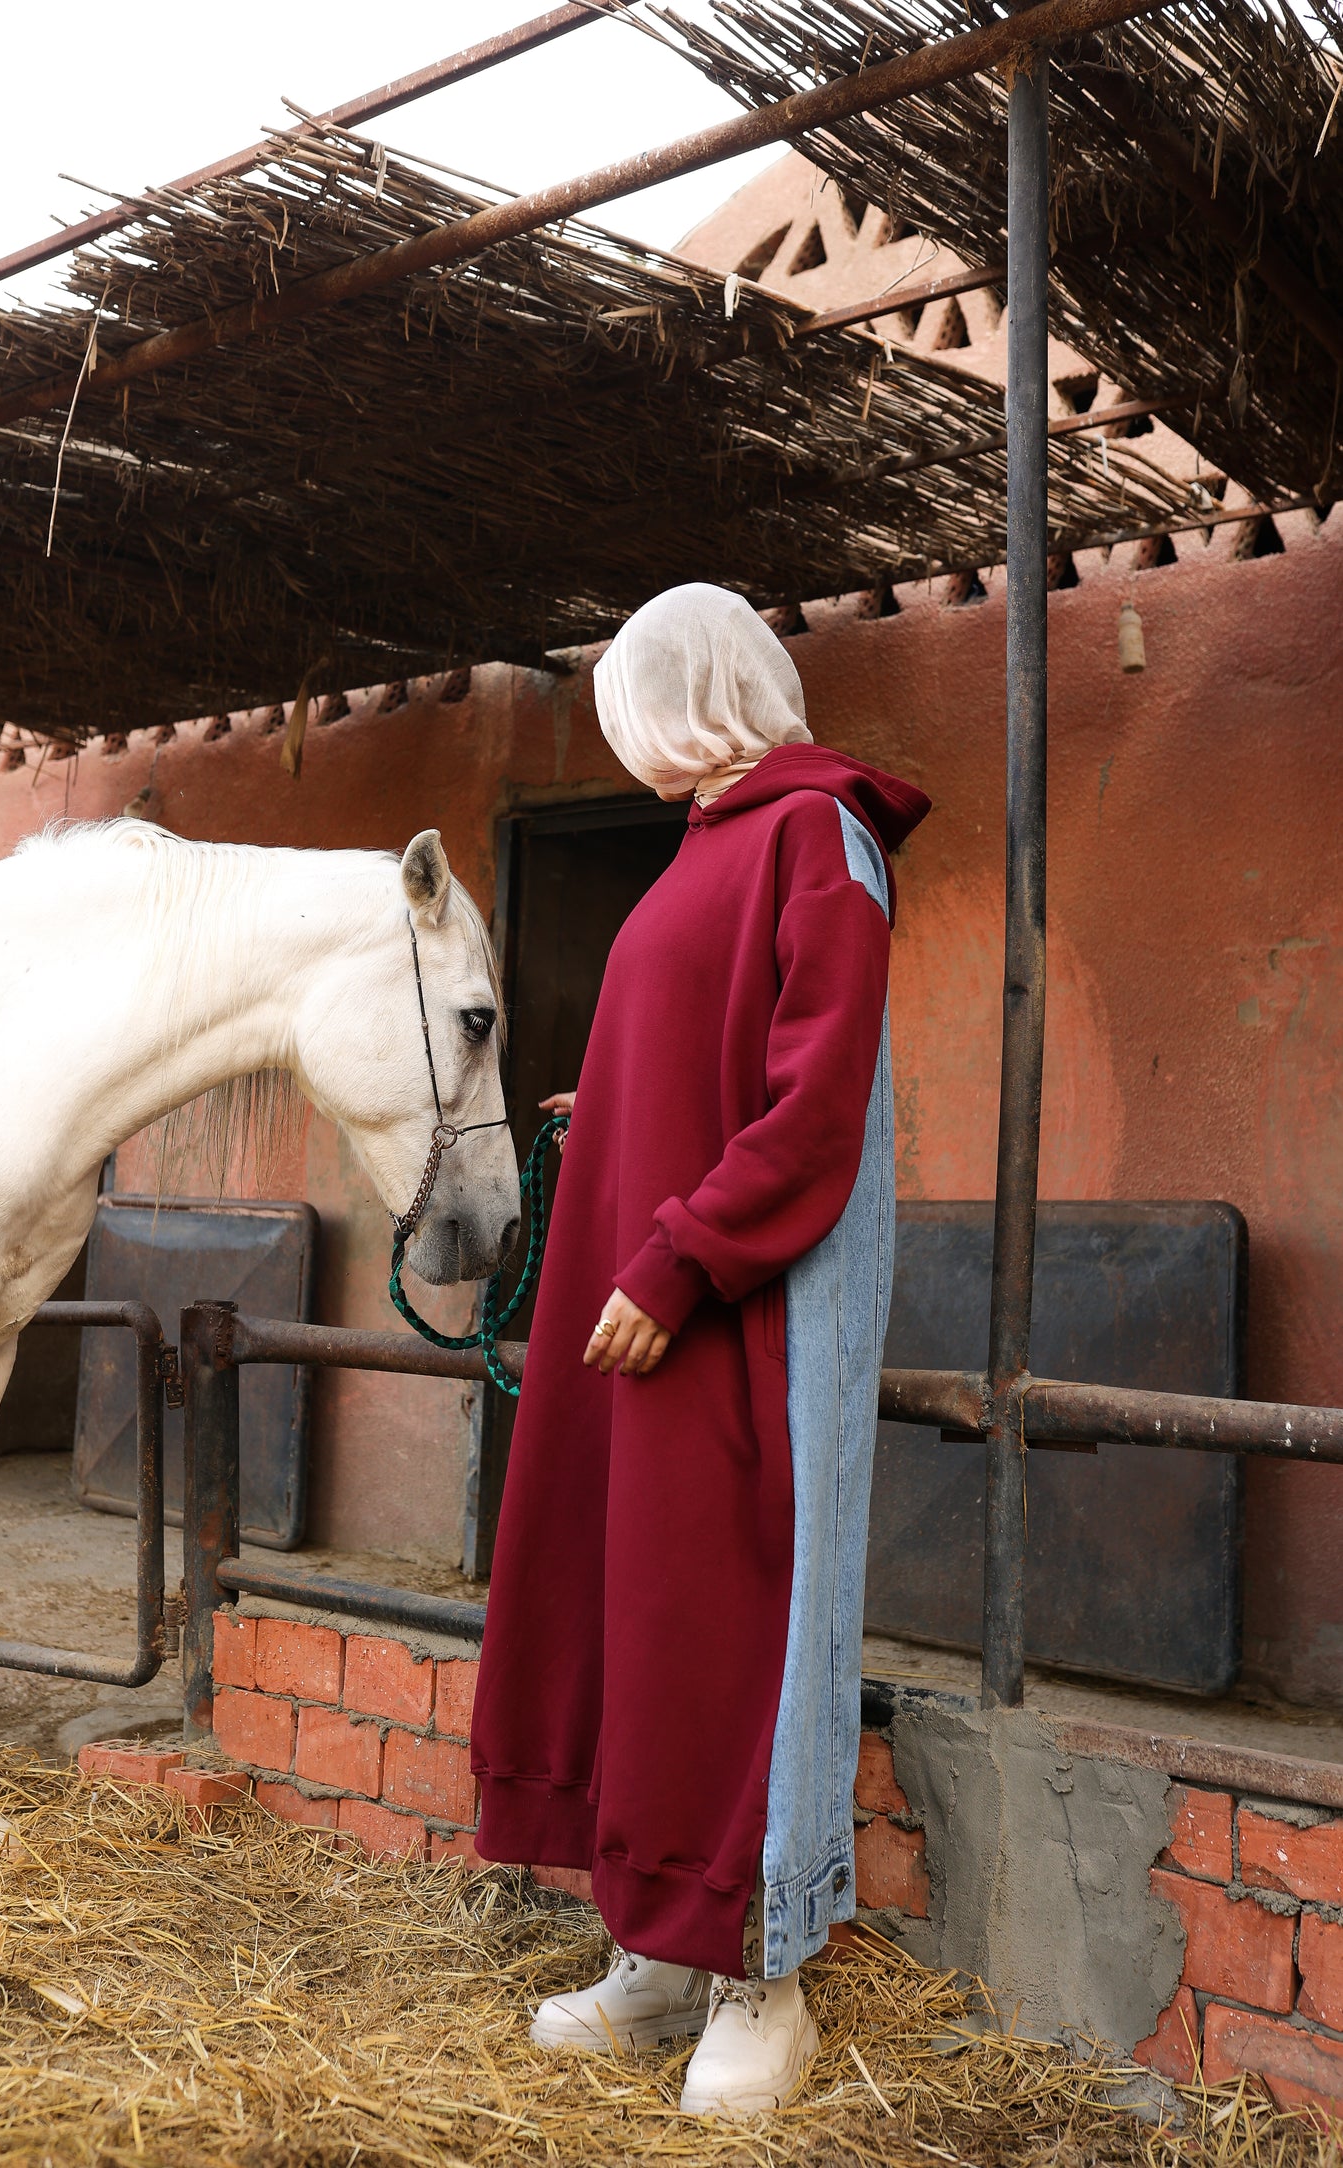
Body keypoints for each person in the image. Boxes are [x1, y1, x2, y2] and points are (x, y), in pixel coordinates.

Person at [471, 582, 930, 2118]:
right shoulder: (708, 838)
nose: (628, 749)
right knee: (650, 1612)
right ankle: (660, 1945)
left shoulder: (821, 834)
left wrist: (680, 1256)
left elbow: (808, 1104)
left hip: (742, 1305)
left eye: (636, 714)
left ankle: (766, 1976)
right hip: (650, 1290)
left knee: (749, 1612)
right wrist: (606, 1126)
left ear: (696, 696)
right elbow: (699, 1053)